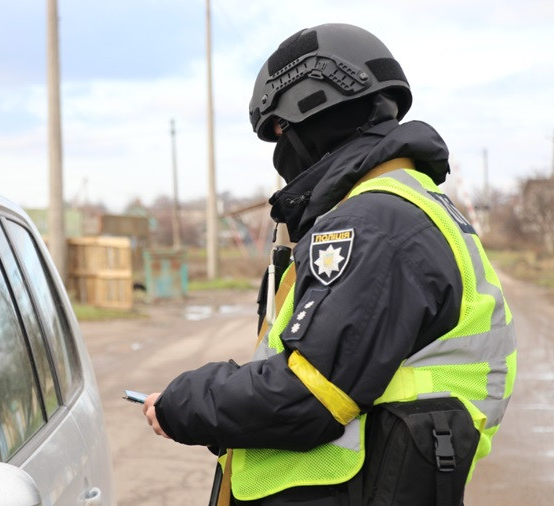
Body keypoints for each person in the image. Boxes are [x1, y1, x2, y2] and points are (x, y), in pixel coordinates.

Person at [142, 23, 516, 505]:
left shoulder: (373, 222)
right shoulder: (407, 204)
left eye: (280, 129)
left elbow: (308, 395)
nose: (281, 150)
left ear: (314, 111)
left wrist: (186, 402)